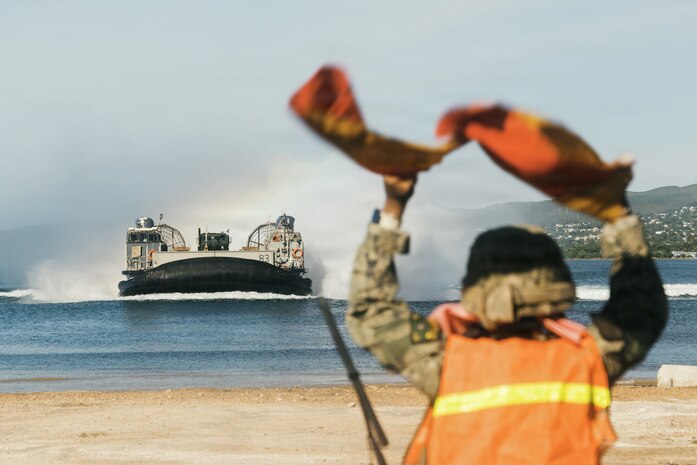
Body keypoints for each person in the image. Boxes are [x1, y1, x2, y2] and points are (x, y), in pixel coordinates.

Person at [346, 175, 668, 465]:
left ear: (474, 287)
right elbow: (641, 307)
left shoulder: (449, 362)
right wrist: (619, 214)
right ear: (557, 284)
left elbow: (370, 308)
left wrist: (392, 208)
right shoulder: (587, 359)